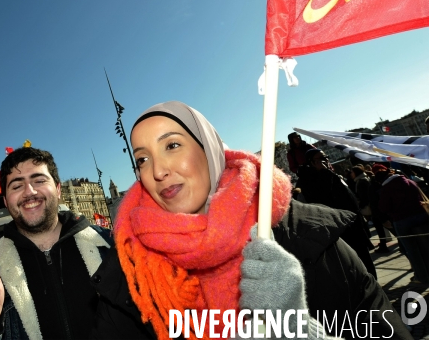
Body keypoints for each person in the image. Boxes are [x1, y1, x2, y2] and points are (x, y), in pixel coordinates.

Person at [91, 101, 410, 340]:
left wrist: (302, 333)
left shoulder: (307, 236)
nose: (158, 170)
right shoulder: (129, 277)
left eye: (172, 145)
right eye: (142, 159)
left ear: (210, 149)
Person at [0, 147, 113, 340]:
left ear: (58, 189)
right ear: (6, 202)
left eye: (39, 180)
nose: (30, 191)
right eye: (17, 186)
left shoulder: (111, 248)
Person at [296, 149, 377, 277]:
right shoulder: (308, 181)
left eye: (326, 157)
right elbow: (322, 200)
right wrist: (324, 172)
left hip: (354, 227)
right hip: (339, 233)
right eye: (321, 158)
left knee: (367, 264)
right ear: (312, 162)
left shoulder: (329, 174)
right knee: (355, 269)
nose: (326, 161)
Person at [378, 168, 429, 285]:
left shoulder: (387, 188)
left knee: (412, 250)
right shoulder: (410, 182)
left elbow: (383, 207)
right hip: (421, 215)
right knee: (426, 245)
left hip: (402, 220)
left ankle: (422, 277)